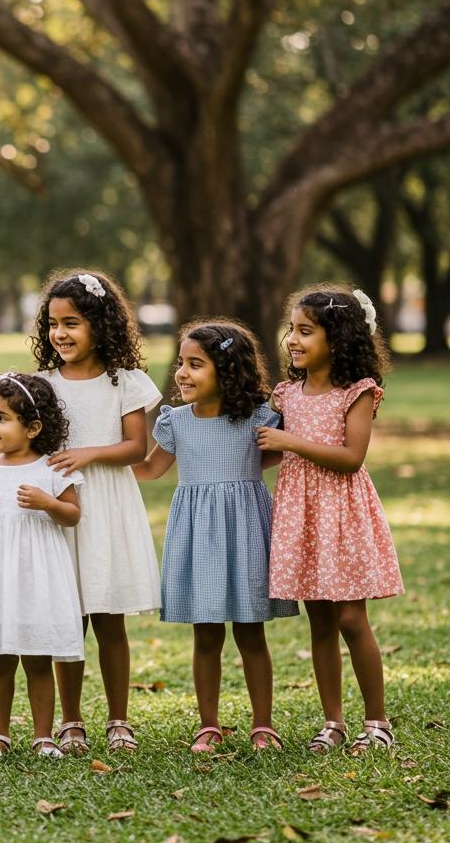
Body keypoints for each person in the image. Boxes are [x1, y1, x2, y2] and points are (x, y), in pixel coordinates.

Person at [134, 321, 298, 753]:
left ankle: (263, 726)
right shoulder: (176, 422)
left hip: (245, 532)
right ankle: (208, 726)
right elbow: (149, 469)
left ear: (227, 370)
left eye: (195, 364)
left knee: (251, 632)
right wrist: (99, 462)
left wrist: (237, 481)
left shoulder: (257, 419)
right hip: (197, 536)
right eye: (181, 363)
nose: (182, 373)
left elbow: (279, 454)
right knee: (206, 634)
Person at [258, 285, 403, 754]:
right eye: (292, 330)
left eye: (306, 331)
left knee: (351, 619)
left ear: (337, 339)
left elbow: (351, 457)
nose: (293, 340)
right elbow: (273, 452)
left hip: (341, 515)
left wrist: (290, 443)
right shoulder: (287, 393)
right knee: (319, 621)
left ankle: (377, 722)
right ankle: (333, 722)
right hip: (300, 516)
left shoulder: (357, 391)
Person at [31, 269, 161, 754]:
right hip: (60, 506)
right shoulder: (42, 384)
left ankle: (119, 720)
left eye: (72, 323)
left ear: (100, 325)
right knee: (68, 619)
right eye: (53, 324)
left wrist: (88, 453)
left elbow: (135, 448)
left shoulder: (124, 381)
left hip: (106, 505)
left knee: (109, 618)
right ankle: (70, 721)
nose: (60, 334)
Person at [0, 373, 83, 760]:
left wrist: (49, 503)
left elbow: (72, 515)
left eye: (2, 418)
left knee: (38, 658)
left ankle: (43, 736)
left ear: (33, 428)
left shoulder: (52, 469)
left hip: (37, 576)